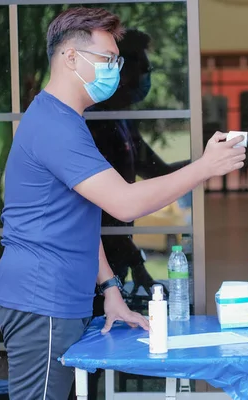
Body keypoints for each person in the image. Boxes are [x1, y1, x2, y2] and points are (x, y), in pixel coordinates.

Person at [0, 7, 245, 400]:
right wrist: (204, 168)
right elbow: (124, 204)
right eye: (108, 60)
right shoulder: (54, 126)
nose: (115, 69)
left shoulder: (67, 120)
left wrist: (110, 286)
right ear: (70, 57)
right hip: (41, 302)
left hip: (58, 301)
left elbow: (80, 217)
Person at [87, 28, 187, 298]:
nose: (146, 78)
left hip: (120, 254)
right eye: (143, 69)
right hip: (97, 264)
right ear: (123, 74)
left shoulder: (123, 121)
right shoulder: (96, 124)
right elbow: (105, 209)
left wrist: (205, 164)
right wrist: (137, 262)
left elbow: (159, 172)